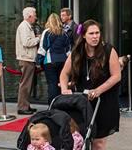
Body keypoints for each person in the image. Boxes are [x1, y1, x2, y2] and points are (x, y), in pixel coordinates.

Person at [60, 20, 121, 150]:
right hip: (82, 102)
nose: (95, 37)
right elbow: (64, 73)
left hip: (103, 101)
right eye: (91, 33)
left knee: (98, 142)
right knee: (80, 139)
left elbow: (116, 76)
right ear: (83, 35)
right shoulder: (77, 52)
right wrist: (65, 89)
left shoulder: (108, 50)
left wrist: (98, 90)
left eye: (97, 33)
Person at [15, 7, 40, 115]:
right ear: (29, 16)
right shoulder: (24, 27)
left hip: (27, 58)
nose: (35, 17)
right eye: (34, 15)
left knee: (27, 84)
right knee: (25, 84)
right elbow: (26, 42)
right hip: (26, 58)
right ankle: (22, 107)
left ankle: (25, 105)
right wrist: (39, 38)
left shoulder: (26, 26)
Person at [42, 13, 71, 102]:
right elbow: (68, 49)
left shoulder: (47, 32)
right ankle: (62, 103)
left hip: (50, 61)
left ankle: (53, 105)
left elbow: (42, 48)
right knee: (62, 83)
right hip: (63, 60)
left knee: (52, 84)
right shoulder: (64, 33)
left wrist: (39, 61)